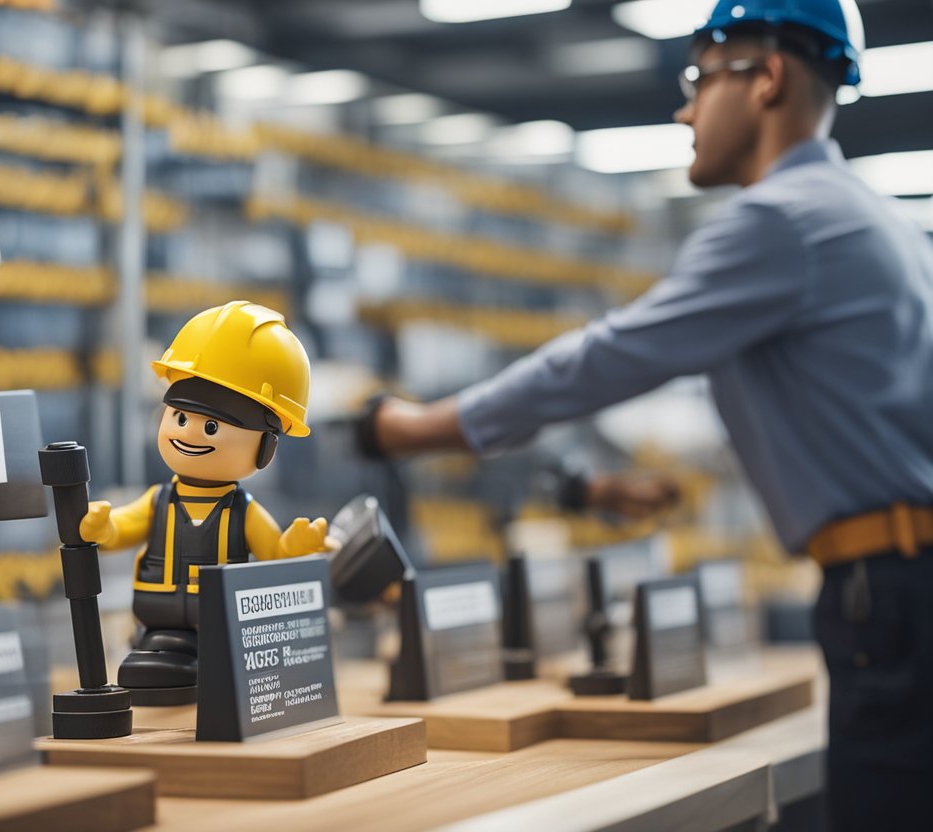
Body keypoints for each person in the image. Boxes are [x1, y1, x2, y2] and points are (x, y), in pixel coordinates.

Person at [360, 1, 933, 827]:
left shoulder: (778, 221)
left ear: (766, 77)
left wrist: (419, 428)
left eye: (700, 78)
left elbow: (604, 358)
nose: (685, 107)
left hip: (891, 598)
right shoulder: (883, 223)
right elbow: (829, 407)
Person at [79, 301, 332, 705]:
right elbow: (120, 529)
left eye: (211, 426)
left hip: (223, 627)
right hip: (156, 623)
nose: (191, 433)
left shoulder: (243, 511)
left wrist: (296, 547)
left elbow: (274, 550)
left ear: (266, 448)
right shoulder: (159, 500)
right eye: (180, 418)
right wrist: (100, 528)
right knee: (150, 664)